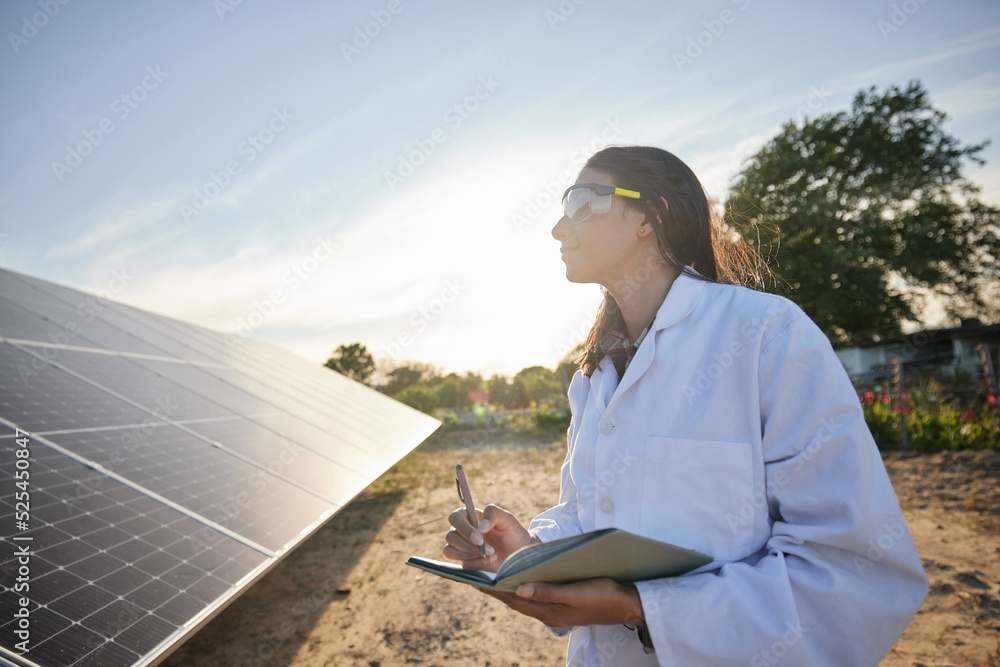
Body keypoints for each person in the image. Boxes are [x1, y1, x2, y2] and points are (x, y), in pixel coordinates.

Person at [443, 145, 927, 666]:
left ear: (652, 217)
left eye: (580, 202)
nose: (559, 228)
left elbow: (850, 568)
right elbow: (594, 513)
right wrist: (531, 547)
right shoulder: (594, 375)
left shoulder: (765, 335)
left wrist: (644, 611)